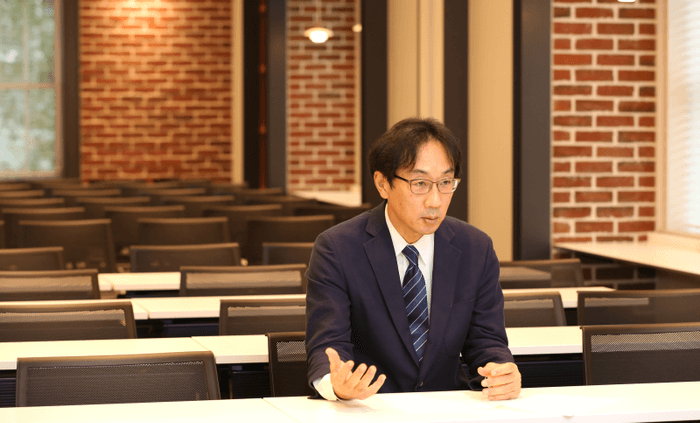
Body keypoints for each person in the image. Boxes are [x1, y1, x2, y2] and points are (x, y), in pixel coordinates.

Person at [305, 117, 521, 401]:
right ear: (383, 184)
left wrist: (501, 371)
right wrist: (336, 385)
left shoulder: (475, 248)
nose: (435, 201)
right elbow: (328, 344)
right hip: (370, 408)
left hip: (447, 408)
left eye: (446, 182)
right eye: (420, 183)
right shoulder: (338, 248)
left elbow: (486, 341)